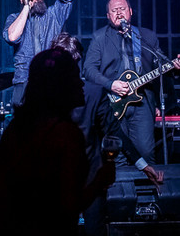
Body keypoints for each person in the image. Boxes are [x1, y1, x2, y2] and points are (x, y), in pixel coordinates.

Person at [0, 47, 114, 236]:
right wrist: (100, 180)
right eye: (74, 78)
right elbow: (67, 207)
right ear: (60, 85)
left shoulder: (14, 129)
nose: (81, 85)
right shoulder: (65, 135)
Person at [52, 32, 163, 236]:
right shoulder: (94, 93)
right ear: (78, 61)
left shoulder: (40, 92)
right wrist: (143, 164)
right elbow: (114, 133)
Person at [83, 0, 180, 160]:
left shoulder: (146, 36)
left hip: (142, 101)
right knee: (117, 154)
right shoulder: (100, 37)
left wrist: (175, 67)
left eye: (122, 9)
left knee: (145, 152)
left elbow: (161, 63)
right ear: (108, 16)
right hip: (111, 102)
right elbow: (88, 70)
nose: (119, 13)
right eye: (114, 10)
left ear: (130, 12)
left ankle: (147, 184)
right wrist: (110, 84)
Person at [3, 0, 78, 106]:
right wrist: (26, 7)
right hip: (24, 83)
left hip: (53, 81)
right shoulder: (14, 18)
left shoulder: (54, 14)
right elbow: (12, 37)